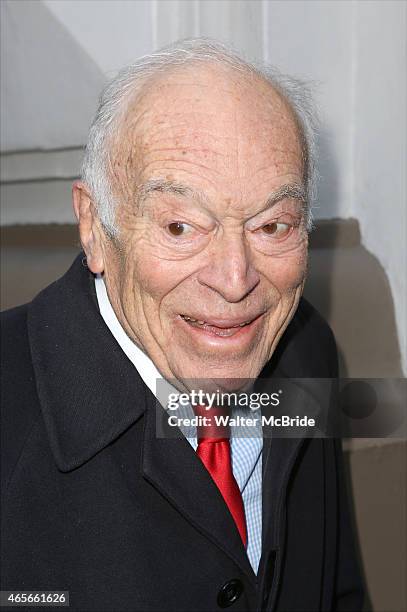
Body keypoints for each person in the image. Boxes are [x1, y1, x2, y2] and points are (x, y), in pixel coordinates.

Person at [1, 39, 364, 611]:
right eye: (181, 227)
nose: (235, 279)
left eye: (272, 226)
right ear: (95, 225)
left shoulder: (307, 352)